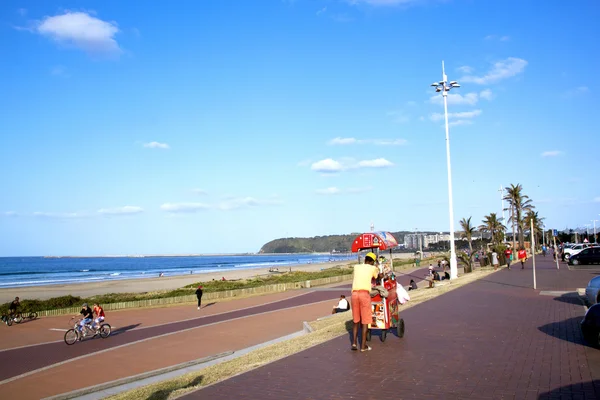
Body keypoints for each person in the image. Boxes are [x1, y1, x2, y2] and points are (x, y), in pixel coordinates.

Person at [351, 252, 379, 352]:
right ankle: (363, 346)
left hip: (354, 294)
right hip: (364, 294)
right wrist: (376, 267)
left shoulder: (356, 267)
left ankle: (354, 343)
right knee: (365, 321)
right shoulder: (372, 268)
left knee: (356, 321)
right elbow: (377, 276)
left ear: (365, 259)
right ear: (372, 261)